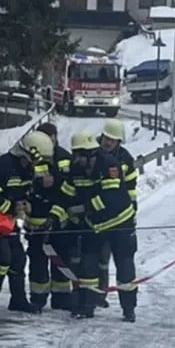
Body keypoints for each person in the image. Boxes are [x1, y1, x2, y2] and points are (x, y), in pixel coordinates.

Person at [0, 130, 54, 317]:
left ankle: (18, 301)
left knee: (19, 258)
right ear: (30, 154)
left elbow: (22, 192)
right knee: (3, 257)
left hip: (5, 219)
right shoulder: (4, 166)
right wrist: (12, 208)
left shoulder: (27, 168)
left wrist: (26, 203)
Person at [24, 121, 75, 312]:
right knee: (37, 261)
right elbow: (24, 183)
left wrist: (56, 181)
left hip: (60, 220)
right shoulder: (32, 158)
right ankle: (38, 298)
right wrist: (38, 184)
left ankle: (61, 298)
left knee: (61, 259)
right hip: (37, 220)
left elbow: (72, 183)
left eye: (51, 138)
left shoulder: (65, 157)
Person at [95, 119, 139, 310]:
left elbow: (131, 188)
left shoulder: (125, 159)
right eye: (107, 138)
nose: (108, 142)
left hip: (122, 220)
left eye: (113, 140)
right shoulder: (92, 153)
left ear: (119, 141)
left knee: (125, 264)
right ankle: (98, 296)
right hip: (99, 219)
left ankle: (128, 307)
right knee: (100, 262)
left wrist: (132, 210)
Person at [65, 130, 103, 318]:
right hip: (77, 225)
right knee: (75, 264)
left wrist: (85, 208)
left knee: (90, 264)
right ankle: (77, 302)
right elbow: (65, 195)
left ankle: (89, 305)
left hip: (97, 225)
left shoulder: (106, 166)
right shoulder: (75, 169)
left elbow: (110, 199)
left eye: (79, 156)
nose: (77, 160)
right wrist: (57, 214)